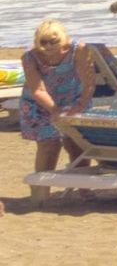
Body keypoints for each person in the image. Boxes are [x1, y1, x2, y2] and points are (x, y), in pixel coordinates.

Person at [20, 19, 95, 173]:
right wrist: (55, 110)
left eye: (53, 41)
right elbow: (38, 90)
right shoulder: (29, 57)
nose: (48, 46)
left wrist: (80, 105)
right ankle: (41, 191)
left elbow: (89, 83)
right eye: (43, 41)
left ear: (63, 39)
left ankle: (83, 186)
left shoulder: (79, 49)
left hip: (74, 98)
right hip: (40, 103)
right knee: (49, 143)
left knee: (77, 142)